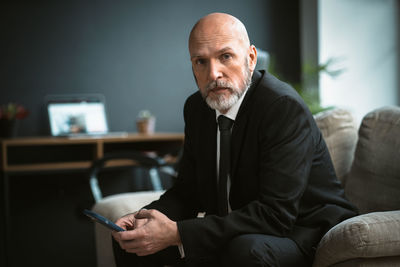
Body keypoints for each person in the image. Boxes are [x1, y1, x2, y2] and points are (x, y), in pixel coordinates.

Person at [112, 12, 357, 267]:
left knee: (244, 250)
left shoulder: (281, 107)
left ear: (250, 58)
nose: (213, 72)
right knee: (133, 244)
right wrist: (144, 219)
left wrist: (178, 233)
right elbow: (187, 192)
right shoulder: (197, 108)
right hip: (241, 230)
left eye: (225, 56)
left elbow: (276, 215)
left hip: (304, 231)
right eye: (200, 61)